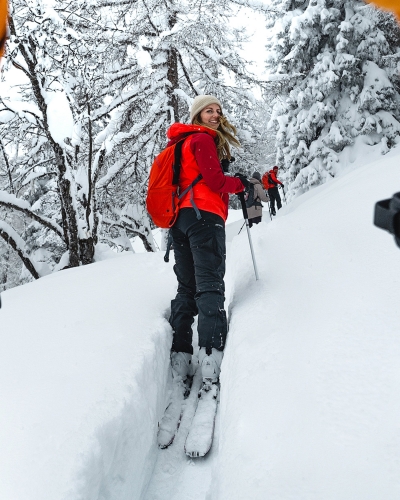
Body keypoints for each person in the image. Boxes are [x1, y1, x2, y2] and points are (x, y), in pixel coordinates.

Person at [167, 95, 247, 385]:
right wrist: (240, 184)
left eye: (218, 111)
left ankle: (180, 354)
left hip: (180, 220)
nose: (215, 115)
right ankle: (211, 355)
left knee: (187, 286)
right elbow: (215, 182)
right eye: (208, 111)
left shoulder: (180, 143)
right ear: (197, 115)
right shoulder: (202, 141)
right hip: (204, 217)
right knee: (210, 282)